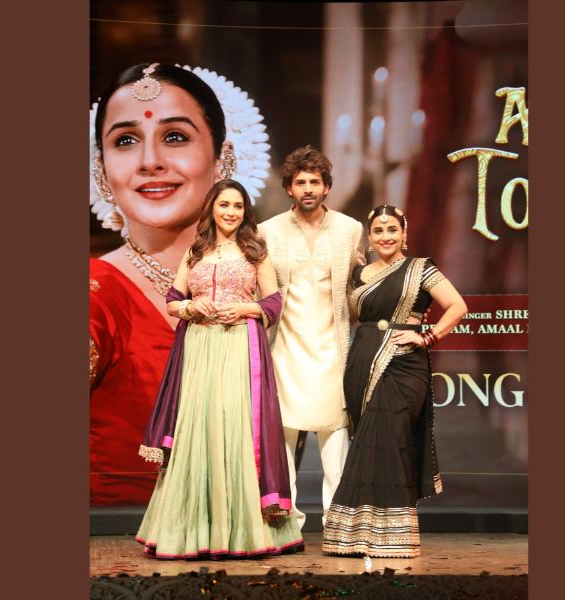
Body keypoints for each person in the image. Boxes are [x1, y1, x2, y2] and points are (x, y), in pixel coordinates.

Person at [89, 62, 270, 505]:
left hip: (248, 526)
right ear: (101, 170)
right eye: (125, 141)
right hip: (119, 533)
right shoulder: (95, 291)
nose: (150, 161)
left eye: (174, 137)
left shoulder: (265, 274)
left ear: (223, 159)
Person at [135, 179, 303, 559]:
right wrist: (191, 307)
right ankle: (191, 531)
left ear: (245, 212)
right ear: (212, 207)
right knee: (198, 429)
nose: (231, 212)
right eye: (224, 204)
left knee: (234, 427)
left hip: (239, 346)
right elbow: (173, 300)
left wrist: (245, 308)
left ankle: (243, 532)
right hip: (198, 348)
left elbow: (273, 301)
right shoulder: (195, 251)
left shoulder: (255, 250)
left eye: (238, 206)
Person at [322, 204, 468, 558]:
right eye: (378, 230)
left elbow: (457, 306)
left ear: (404, 233)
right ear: (369, 238)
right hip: (362, 362)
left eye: (392, 229)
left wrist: (427, 336)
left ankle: (395, 535)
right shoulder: (358, 274)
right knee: (366, 443)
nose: (385, 236)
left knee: (391, 439)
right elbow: (352, 316)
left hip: (404, 365)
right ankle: (358, 535)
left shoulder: (421, 268)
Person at [259, 146, 364, 529]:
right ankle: (286, 522)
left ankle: (338, 523)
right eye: (300, 182)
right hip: (285, 348)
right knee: (283, 439)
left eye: (314, 182)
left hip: (332, 348)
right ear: (289, 188)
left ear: (326, 187)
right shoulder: (267, 231)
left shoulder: (350, 229)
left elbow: (356, 292)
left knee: (335, 440)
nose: (307, 189)